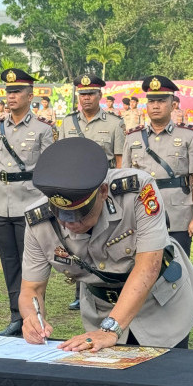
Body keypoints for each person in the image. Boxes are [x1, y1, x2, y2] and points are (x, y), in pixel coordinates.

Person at [20, 138, 193, 350]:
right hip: (102, 309)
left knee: (166, 377)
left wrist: (110, 330)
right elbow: (31, 288)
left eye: (81, 212)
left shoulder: (137, 190)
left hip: (160, 306)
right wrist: (32, 318)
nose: (69, 222)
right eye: (60, 212)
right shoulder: (38, 220)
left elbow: (148, 266)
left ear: (103, 192)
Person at [0, 68, 55, 336]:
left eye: (16, 92)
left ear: (30, 95)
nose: (11, 96)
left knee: (32, 265)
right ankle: (17, 316)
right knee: (9, 261)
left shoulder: (43, 130)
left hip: (31, 204)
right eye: (9, 92)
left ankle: (34, 317)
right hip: (2, 204)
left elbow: (50, 170)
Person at [59, 74, 126, 311]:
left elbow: (120, 162)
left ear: (100, 96)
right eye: (82, 94)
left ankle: (107, 287)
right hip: (75, 191)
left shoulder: (114, 123)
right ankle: (82, 291)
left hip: (103, 190)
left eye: (90, 94)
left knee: (104, 241)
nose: (86, 98)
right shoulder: (68, 123)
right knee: (78, 242)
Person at [122, 76, 193, 256]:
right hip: (141, 213)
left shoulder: (189, 136)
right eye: (151, 101)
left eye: (161, 101)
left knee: (178, 266)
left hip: (178, 214)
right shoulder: (132, 137)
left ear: (172, 104)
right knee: (143, 268)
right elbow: (125, 180)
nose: (155, 106)